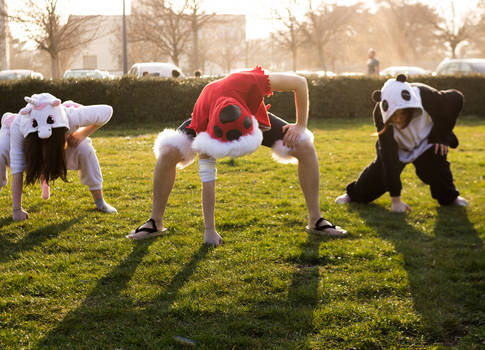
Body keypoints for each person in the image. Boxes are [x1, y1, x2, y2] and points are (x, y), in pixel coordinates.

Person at [127, 66, 347, 245]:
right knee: (167, 153)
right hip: (207, 114)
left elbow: (300, 82)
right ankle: (155, 222)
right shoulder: (205, 123)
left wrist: (300, 125)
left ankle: (316, 220)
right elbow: (208, 177)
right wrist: (210, 230)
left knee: (305, 146)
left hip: (247, 109)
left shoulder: (251, 80)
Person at [0, 93, 117, 220]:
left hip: (60, 144)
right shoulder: (20, 123)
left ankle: (100, 202)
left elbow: (107, 111)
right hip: (20, 140)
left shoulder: (70, 116)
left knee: (85, 148)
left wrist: (81, 134)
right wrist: (16, 210)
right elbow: (17, 170)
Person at [336, 74, 468, 212]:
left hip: (426, 140)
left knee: (437, 169)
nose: (399, 120)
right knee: (379, 172)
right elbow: (388, 158)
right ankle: (354, 195)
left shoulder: (425, 95)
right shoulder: (380, 113)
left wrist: (441, 136)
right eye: (394, 116)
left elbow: (456, 98)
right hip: (397, 145)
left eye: (403, 114)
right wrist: (396, 200)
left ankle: (450, 198)